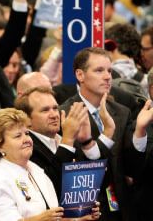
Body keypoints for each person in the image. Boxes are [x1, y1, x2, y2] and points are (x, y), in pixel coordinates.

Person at [0, 109, 101, 221]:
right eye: (17, 136)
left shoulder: (35, 169)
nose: (26, 139)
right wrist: (40, 219)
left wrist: (78, 218)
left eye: (26, 133)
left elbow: (52, 216)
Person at [60, 47, 131, 220]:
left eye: (109, 71)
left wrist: (141, 134)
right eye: (99, 70)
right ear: (80, 75)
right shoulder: (65, 114)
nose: (108, 76)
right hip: (86, 209)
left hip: (122, 207)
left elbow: (129, 162)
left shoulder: (122, 112)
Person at [15, 86, 108, 196]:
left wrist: (87, 142)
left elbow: (100, 182)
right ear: (27, 119)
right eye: (45, 110)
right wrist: (67, 140)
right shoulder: (26, 147)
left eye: (55, 108)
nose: (54, 115)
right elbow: (50, 187)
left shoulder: (69, 139)